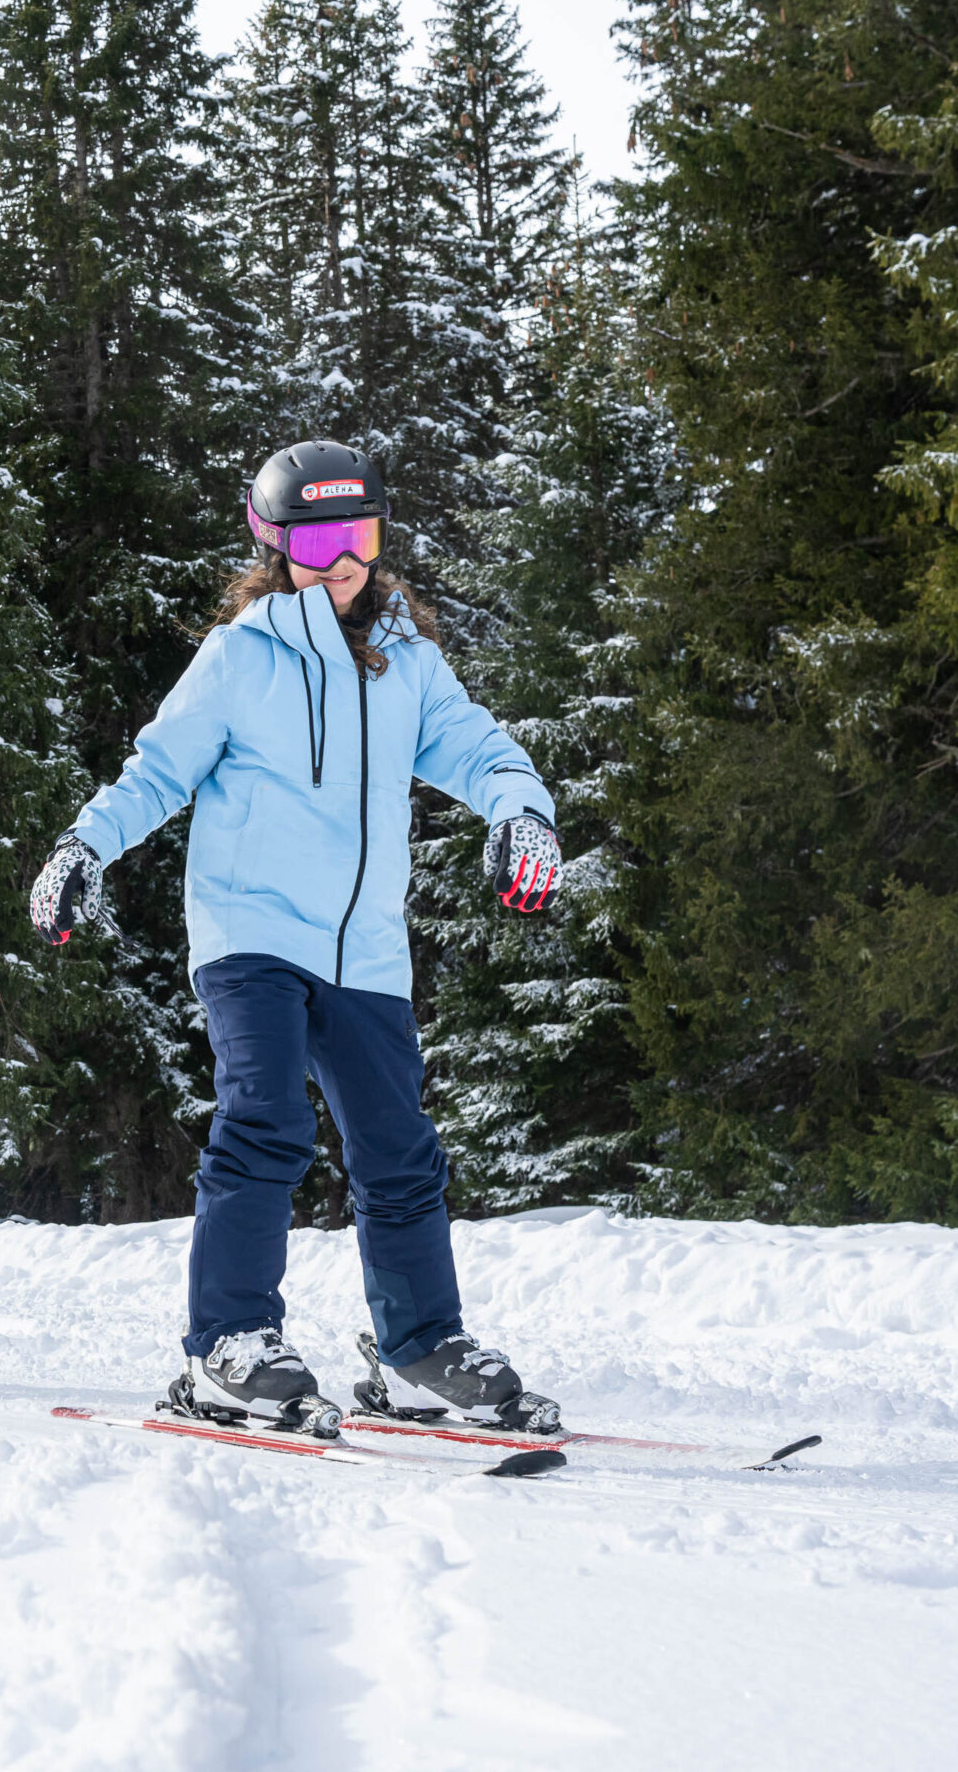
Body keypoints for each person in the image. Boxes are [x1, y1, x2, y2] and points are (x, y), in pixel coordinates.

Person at [30, 440, 562, 1433]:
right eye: (318, 540)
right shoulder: (241, 657)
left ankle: (417, 1349)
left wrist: (521, 812)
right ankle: (228, 1344)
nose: (343, 559)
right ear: (276, 546)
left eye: (358, 535)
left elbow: (482, 750)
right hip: (251, 933)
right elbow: (156, 771)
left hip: (364, 950)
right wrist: (83, 846)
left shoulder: (409, 660)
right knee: (266, 1120)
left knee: (400, 1150)